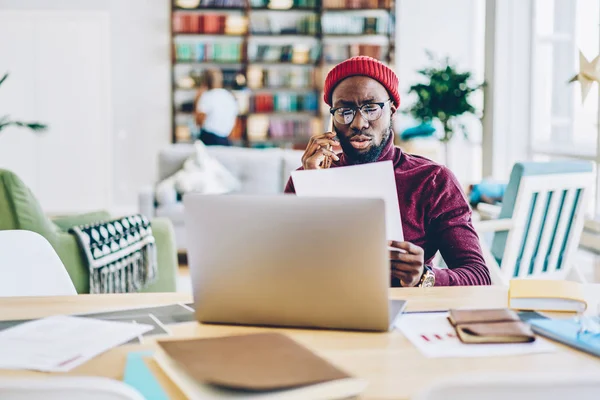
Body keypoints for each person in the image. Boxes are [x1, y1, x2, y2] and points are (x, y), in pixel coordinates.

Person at [284, 56, 490, 287]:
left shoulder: (432, 180)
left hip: (401, 312)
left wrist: (425, 276)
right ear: (333, 119)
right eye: (345, 110)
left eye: (371, 108)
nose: (359, 123)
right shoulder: (308, 177)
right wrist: (311, 188)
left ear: (391, 111)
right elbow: (279, 267)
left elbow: (478, 276)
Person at [194, 69, 238, 146]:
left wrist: (197, 98)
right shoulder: (229, 96)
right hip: (226, 140)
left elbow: (198, 122)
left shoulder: (207, 96)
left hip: (209, 139)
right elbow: (234, 122)